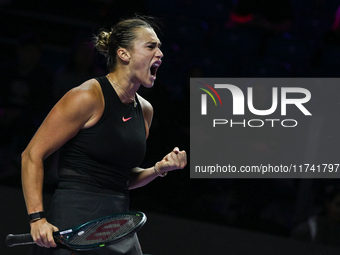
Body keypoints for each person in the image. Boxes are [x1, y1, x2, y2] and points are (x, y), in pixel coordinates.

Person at [21, 16, 187, 255]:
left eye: (159, 47)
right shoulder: (87, 96)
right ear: (124, 54)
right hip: (73, 219)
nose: (160, 53)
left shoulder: (145, 110)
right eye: (151, 46)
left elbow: (120, 178)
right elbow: (32, 155)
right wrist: (37, 218)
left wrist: (158, 170)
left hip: (117, 224)